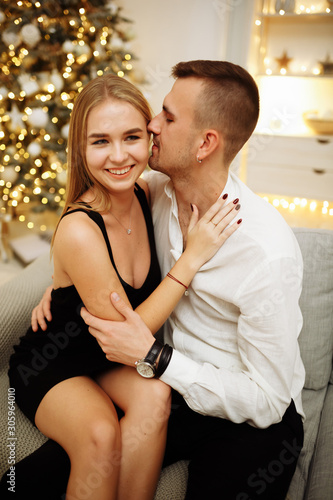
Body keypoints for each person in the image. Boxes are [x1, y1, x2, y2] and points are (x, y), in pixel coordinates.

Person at [3, 60, 305, 500]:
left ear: (206, 143)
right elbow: (91, 234)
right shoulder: (157, 192)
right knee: (30, 483)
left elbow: (268, 400)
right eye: (158, 113)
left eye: (166, 116)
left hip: (241, 410)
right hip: (144, 377)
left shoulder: (265, 252)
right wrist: (63, 283)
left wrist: (158, 359)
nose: (152, 126)